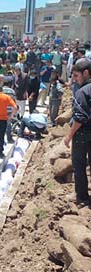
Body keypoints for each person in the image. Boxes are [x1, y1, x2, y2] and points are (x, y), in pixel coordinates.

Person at [64, 59, 91, 206]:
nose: (74, 79)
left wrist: (69, 136)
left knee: (79, 165)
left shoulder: (82, 92)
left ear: (85, 73)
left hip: (83, 134)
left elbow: (80, 117)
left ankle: (81, 197)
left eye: (76, 75)